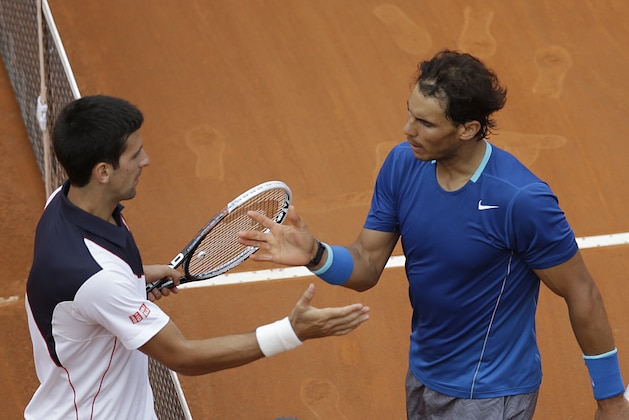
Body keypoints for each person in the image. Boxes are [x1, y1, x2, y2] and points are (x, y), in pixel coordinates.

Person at [237, 50, 629, 419]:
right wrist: (316, 255)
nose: (408, 130)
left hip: (490, 390)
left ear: (468, 129)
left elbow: (582, 291)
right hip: (425, 371)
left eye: (425, 124)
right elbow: (367, 263)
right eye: (411, 115)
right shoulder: (403, 164)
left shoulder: (520, 201)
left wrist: (611, 399)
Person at [24, 95, 370, 419]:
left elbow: (82, 287)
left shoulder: (65, 203)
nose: (146, 161)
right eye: (135, 155)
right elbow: (183, 356)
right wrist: (291, 331)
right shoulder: (98, 279)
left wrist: (136, 278)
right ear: (103, 172)